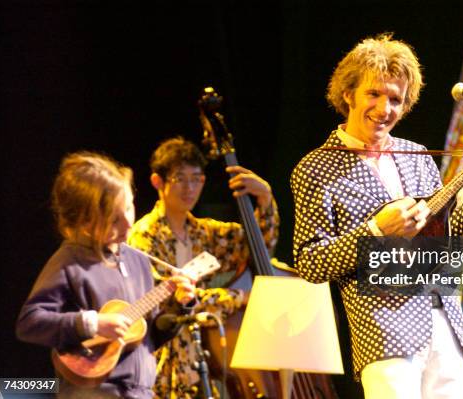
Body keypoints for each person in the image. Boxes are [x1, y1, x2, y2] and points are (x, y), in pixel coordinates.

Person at [291, 34, 463, 399]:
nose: (384, 108)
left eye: (395, 99)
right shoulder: (316, 168)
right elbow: (310, 262)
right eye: (374, 94)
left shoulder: (416, 154)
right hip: (386, 334)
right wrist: (375, 230)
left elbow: (444, 234)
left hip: (446, 323)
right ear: (349, 94)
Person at [16, 152, 197, 399]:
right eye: (114, 219)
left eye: (130, 208)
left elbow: (147, 338)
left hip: (140, 393)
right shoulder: (70, 261)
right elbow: (29, 323)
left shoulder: (138, 261)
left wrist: (179, 307)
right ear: (86, 220)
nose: (128, 224)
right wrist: (93, 324)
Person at [128, 136, 279, 398]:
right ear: (157, 181)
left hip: (201, 360)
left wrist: (265, 198)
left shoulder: (204, 232)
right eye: (180, 178)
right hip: (159, 360)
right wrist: (239, 298)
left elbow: (259, 248)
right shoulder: (144, 235)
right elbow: (168, 300)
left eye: (196, 179)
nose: (189, 188)